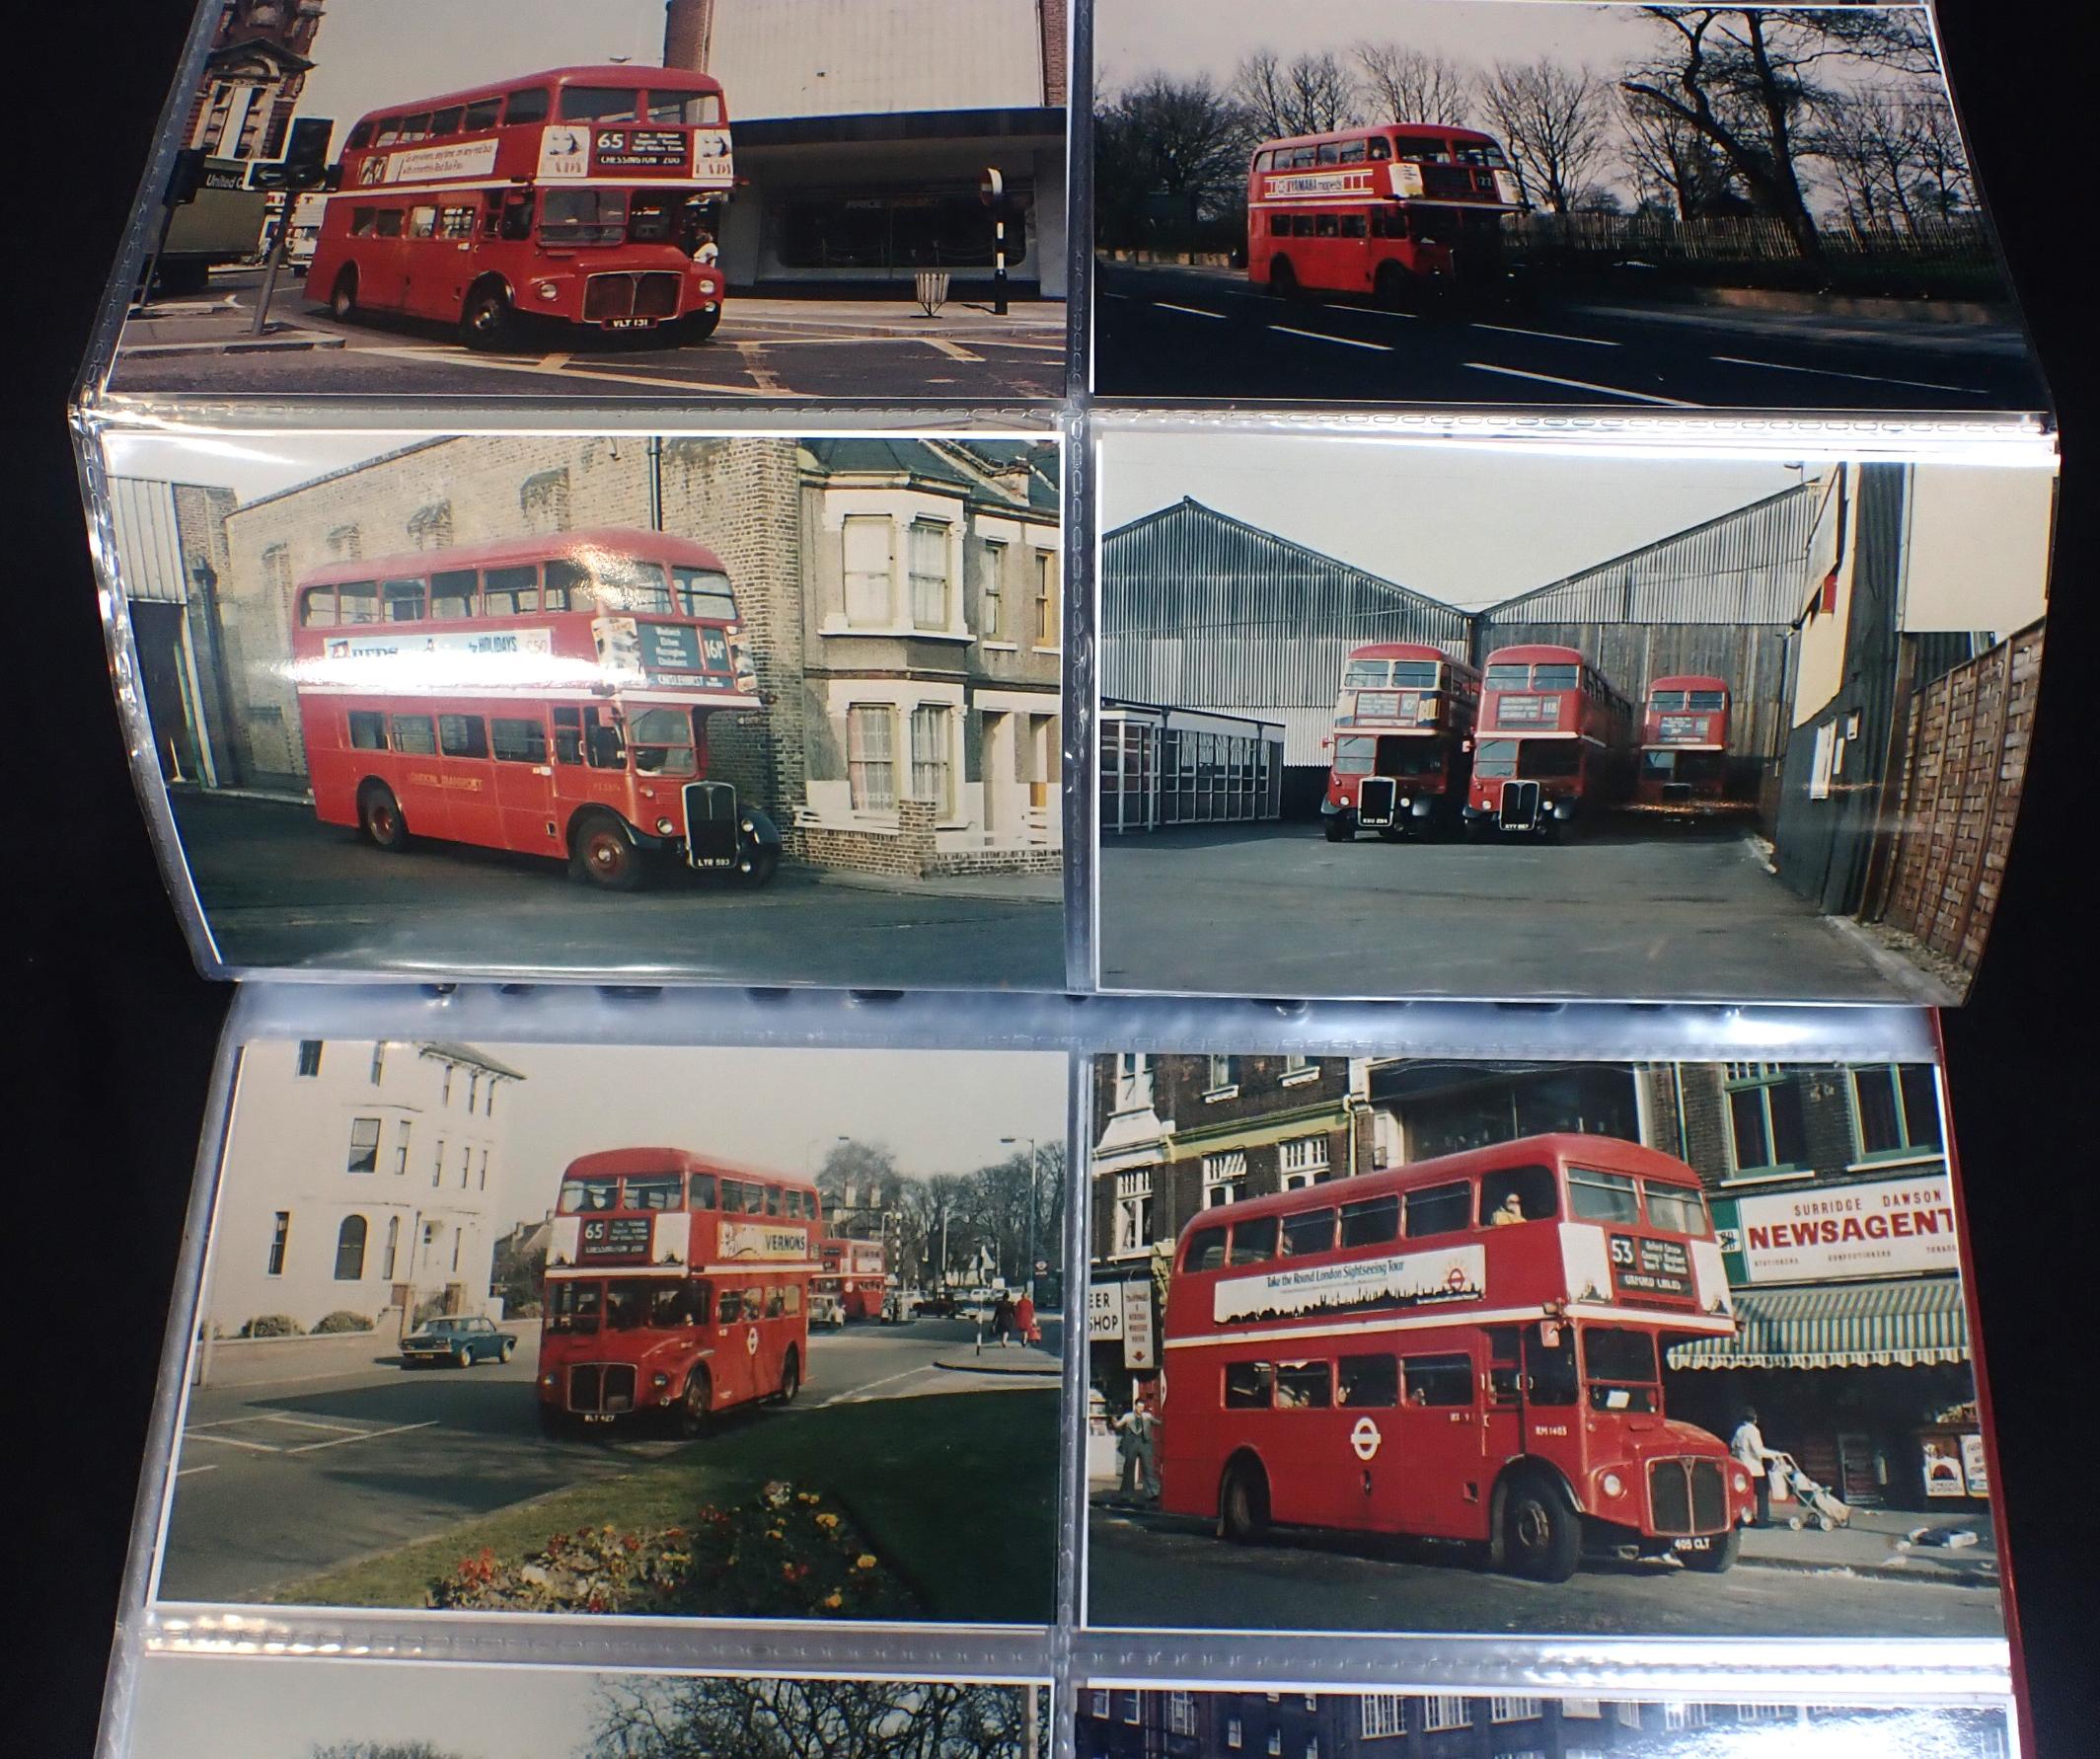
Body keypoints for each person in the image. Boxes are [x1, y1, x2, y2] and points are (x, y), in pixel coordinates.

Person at [1731, 1407, 1778, 1527]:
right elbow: (1758, 1450)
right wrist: (1774, 1454)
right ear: (1755, 1419)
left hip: (1743, 1467)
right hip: (1755, 1469)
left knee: (1747, 1495)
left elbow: (1733, 1446)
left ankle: (1745, 1518)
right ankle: (1762, 1520)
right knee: (1762, 1494)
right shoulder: (1753, 1431)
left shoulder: (1740, 1430)